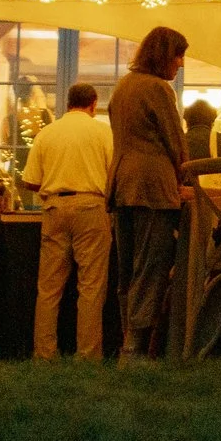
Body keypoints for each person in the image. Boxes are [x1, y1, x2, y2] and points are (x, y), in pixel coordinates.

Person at [110, 26, 191, 359]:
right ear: (164, 55)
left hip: (121, 185)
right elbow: (175, 140)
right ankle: (136, 348)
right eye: (178, 55)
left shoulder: (123, 87)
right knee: (151, 267)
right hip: (153, 189)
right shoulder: (158, 89)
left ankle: (127, 340)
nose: (181, 63)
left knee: (126, 269)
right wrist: (185, 177)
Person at [22, 81, 116, 360]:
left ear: (67, 103)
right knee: (91, 286)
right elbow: (114, 176)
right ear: (93, 103)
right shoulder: (103, 132)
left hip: (54, 208)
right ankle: (87, 355)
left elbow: (30, 182)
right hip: (91, 206)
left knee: (49, 288)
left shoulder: (47, 134)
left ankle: (44, 354)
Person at [181, 98, 221, 195]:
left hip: (186, 206)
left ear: (187, 121)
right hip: (220, 205)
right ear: (212, 121)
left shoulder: (179, 141)